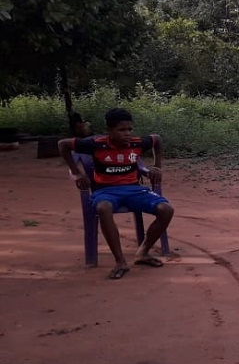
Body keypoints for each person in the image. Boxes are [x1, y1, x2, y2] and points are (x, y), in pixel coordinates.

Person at [58, 107, 174, 279]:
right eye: (121, 130)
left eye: (129, 129)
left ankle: (143, 252)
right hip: (106, 191)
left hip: (135, 190)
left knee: (167, 209)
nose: (127, 134)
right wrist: (76, 172)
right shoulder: (97, 144)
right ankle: (120, 261)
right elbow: (63, 144)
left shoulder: (137, 143)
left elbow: (157, 139)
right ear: (109, 131)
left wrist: (157, 166)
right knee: (103, 208)